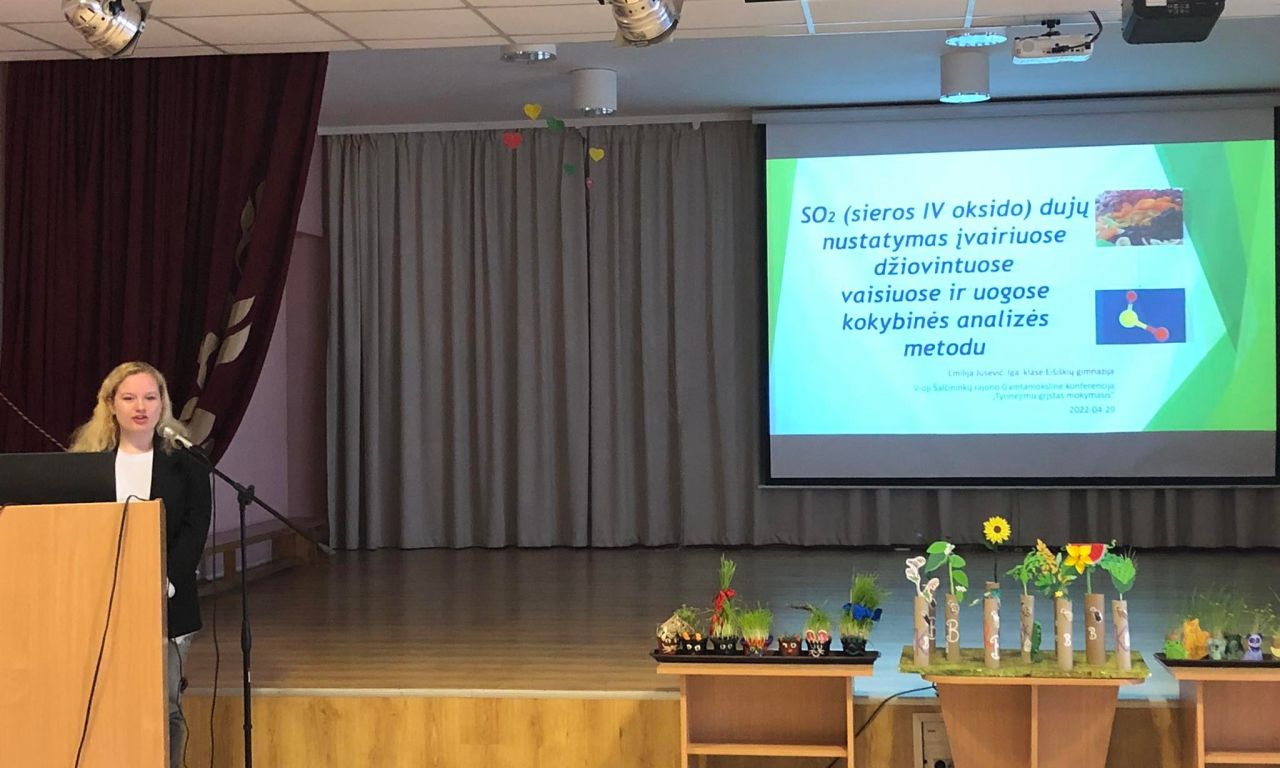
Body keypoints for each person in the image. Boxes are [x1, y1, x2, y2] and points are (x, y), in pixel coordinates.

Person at [70, 361, 211, 768]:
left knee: (165, 705)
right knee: (109, 701)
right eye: (129, 397)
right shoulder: (87, 462)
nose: (141, 406)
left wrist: (163, 579)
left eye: (150, 397)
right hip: (102, 602)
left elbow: (195, 528)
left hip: (168, 601)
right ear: (110, 403)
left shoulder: (186, 462)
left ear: (162, 404)